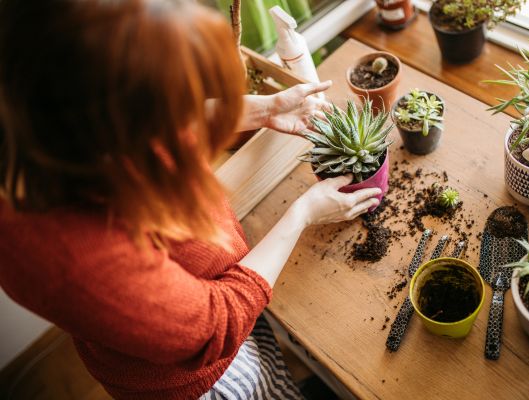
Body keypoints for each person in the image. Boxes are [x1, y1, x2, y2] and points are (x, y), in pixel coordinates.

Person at [0, 0, 381, 399]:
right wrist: (300, 215)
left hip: (226, 295)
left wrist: (263, 110)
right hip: (200, 380)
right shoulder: (69, 257)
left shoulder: (70, 125)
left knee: (271, 362)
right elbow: (215, 328)